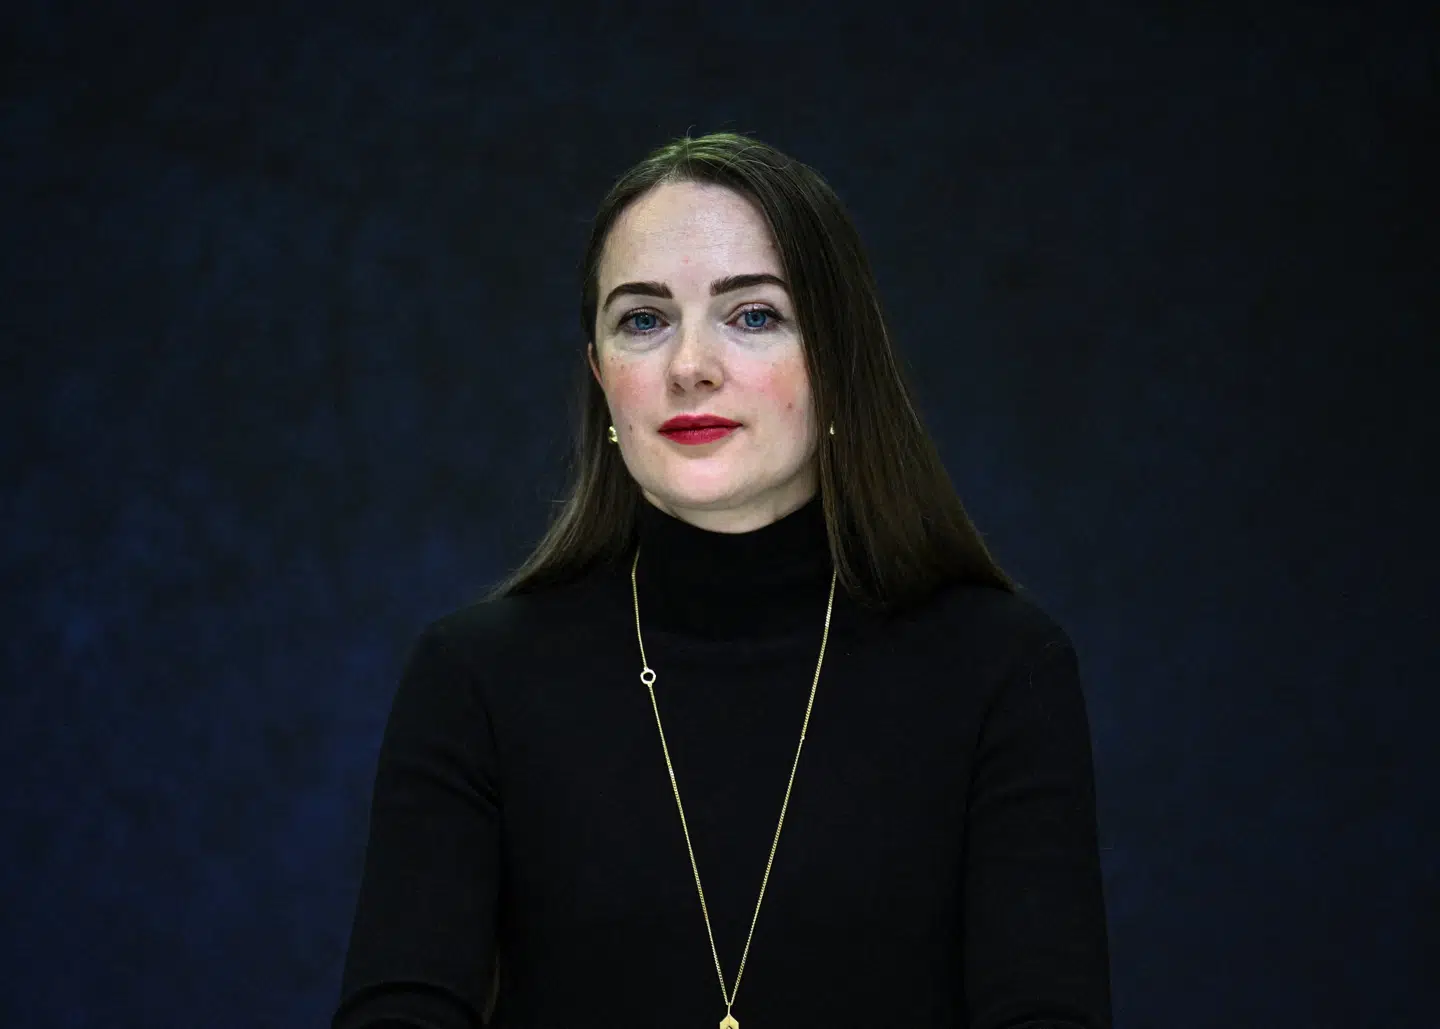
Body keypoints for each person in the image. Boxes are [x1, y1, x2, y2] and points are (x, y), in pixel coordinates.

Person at [332, 132, 1112, 1029]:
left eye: (752, 316)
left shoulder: (1002, 668)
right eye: (643, 320)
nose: (689, 365)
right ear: (600, 375)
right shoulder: (473, 679)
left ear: (839, 359)